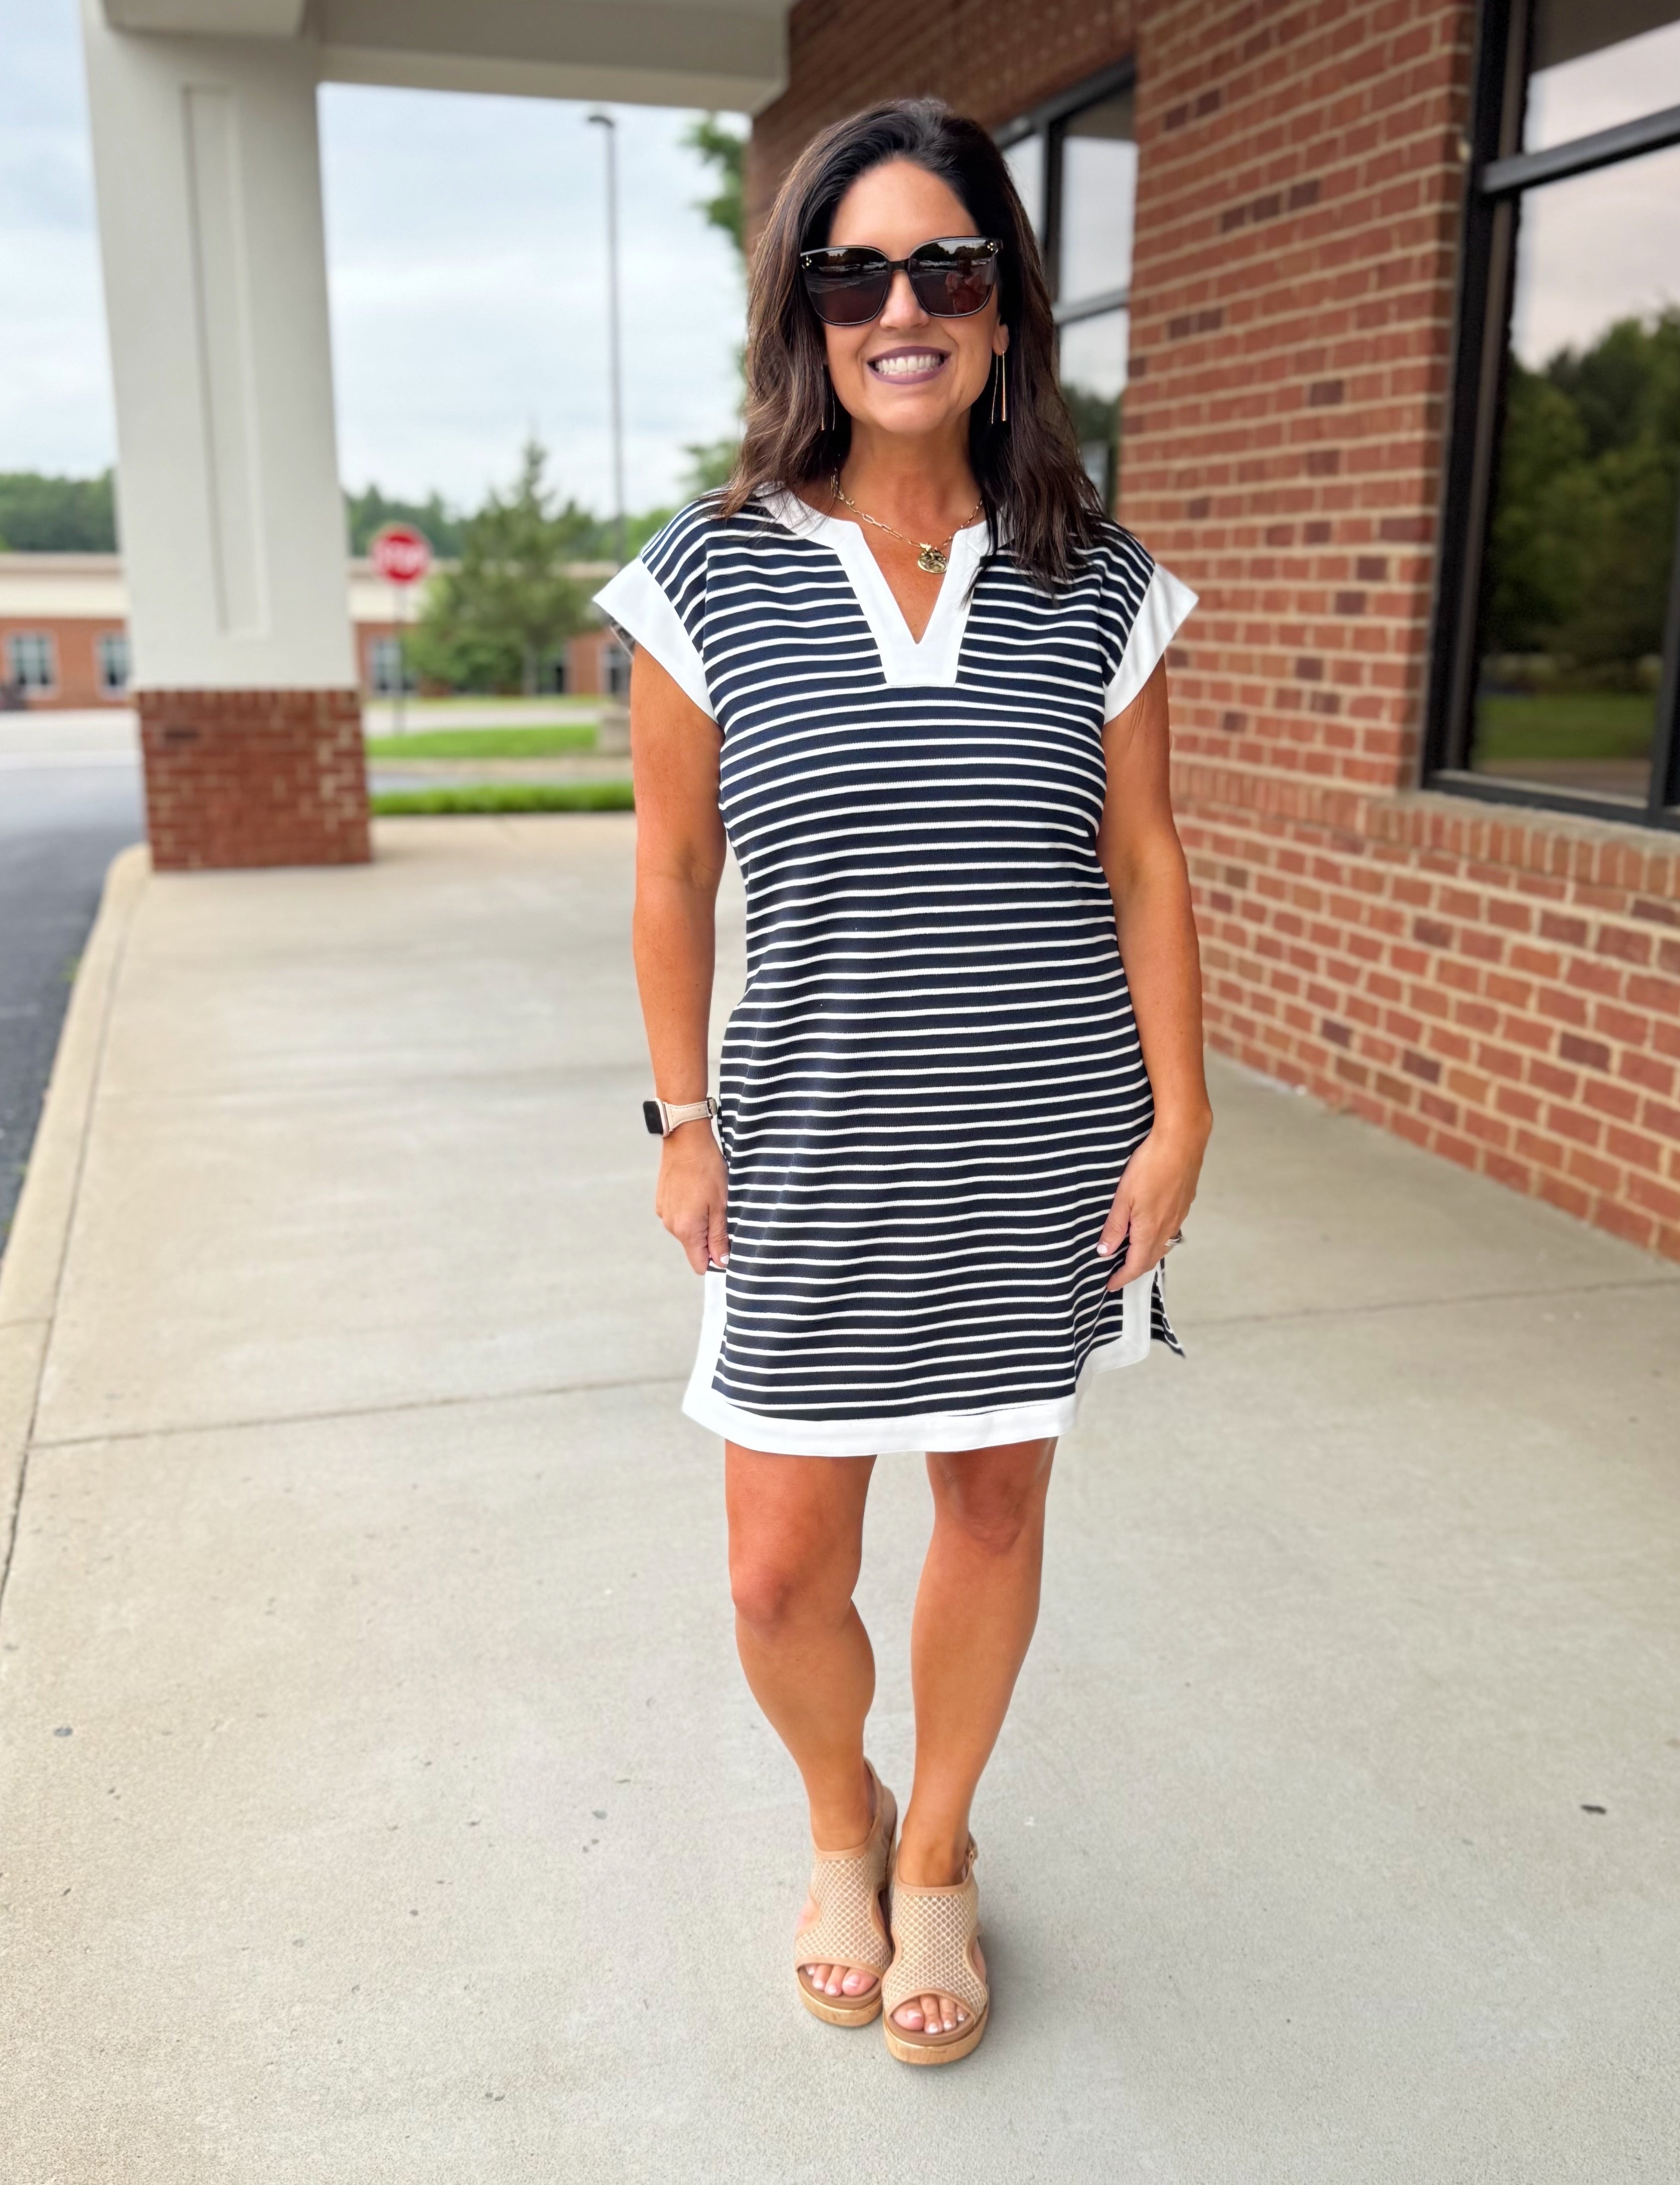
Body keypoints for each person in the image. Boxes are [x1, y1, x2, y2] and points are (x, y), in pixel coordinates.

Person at [593, 96, 1209, 2067]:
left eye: (945, 266)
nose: (902, 310)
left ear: (1007, 304)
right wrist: (682, 1120)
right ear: (806, 315)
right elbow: (673, 874)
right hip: (805, 1152)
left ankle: (934, 1847)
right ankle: (838, 1815)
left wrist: (1183, 1114)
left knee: (994, 1507)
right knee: (779, 1567)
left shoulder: (1100, 580)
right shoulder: (707, 575)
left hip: (1041, 1149)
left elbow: (1144, 863)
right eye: (853, 275)